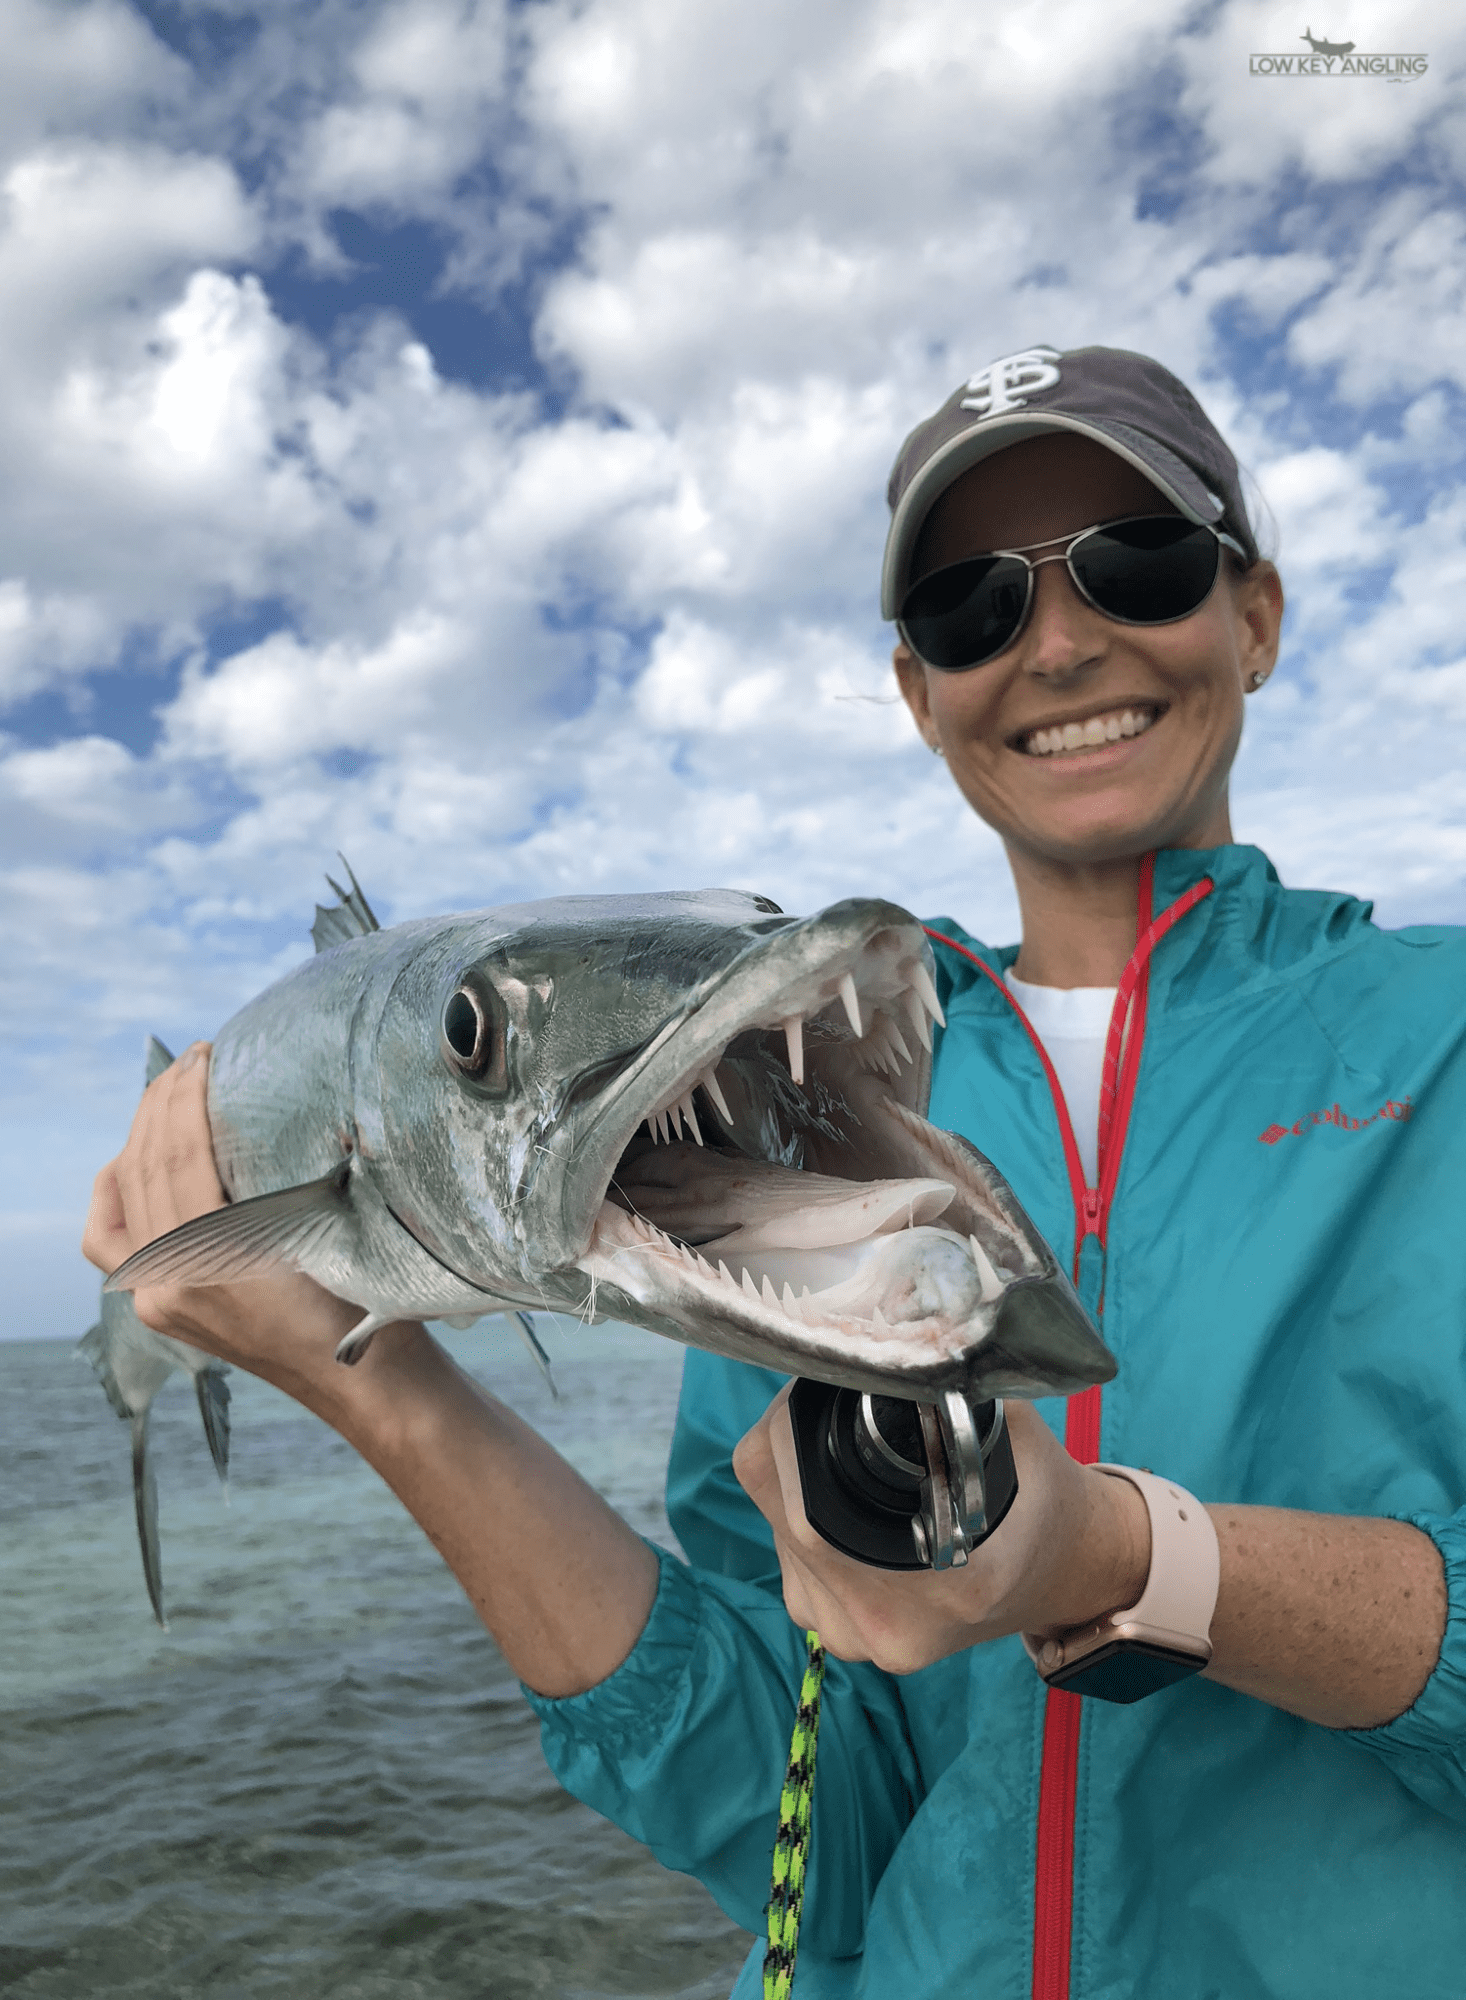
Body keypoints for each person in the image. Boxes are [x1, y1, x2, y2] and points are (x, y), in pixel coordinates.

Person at [84, 344, 1466, 1998]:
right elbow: (805, 1820)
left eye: (1137, 561)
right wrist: (393, 1399)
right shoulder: (785, 1119)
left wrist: (1123, 1560)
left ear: (1256, 613)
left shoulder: (1440, 1038)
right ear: (917, 689)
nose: (1062, 640)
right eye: (974, 604)